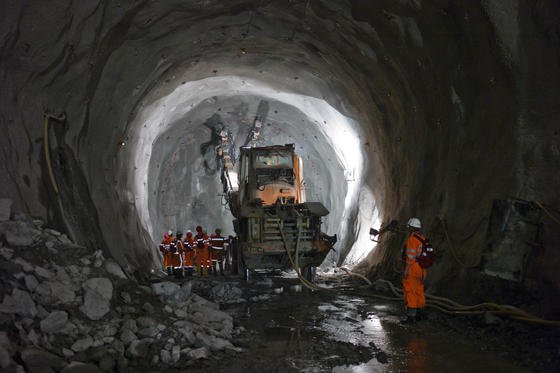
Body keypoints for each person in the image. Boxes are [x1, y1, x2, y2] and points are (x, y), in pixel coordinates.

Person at [401, 217, 427, 323]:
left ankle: (411, 318)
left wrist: (406, 270)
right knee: (419, 290)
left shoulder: (412, 239)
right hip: (422, 268)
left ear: (411, 228)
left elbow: (410, 256)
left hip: (414, 267)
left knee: (410, 290)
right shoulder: (423, 238)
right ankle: (419, 315)